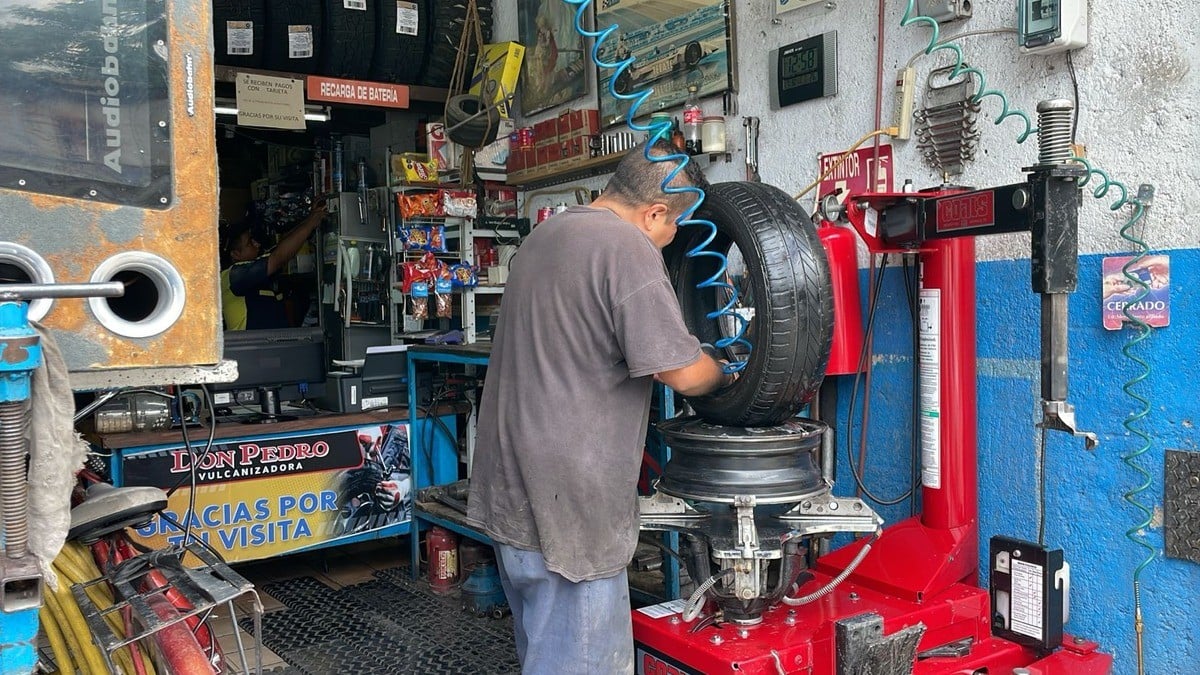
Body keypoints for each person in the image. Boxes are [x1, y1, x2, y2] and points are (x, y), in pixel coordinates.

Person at [467, 140, 735, 674]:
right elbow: (678, 372)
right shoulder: (625, 248)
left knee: (543, 653)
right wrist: (726, 369)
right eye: (672, 229)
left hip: (511, 494)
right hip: (571, 517)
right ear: (655, 211)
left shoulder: (547, 234)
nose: (669, 241)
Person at [220, 201, 326, 330]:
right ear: (235, 254)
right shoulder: (233, 276)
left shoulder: (251, 269)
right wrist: (311, 222)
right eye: (250, 243)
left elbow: (282, 247)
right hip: (253, 348)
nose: (257, 245)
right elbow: (278, 257)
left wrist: (310, 218)